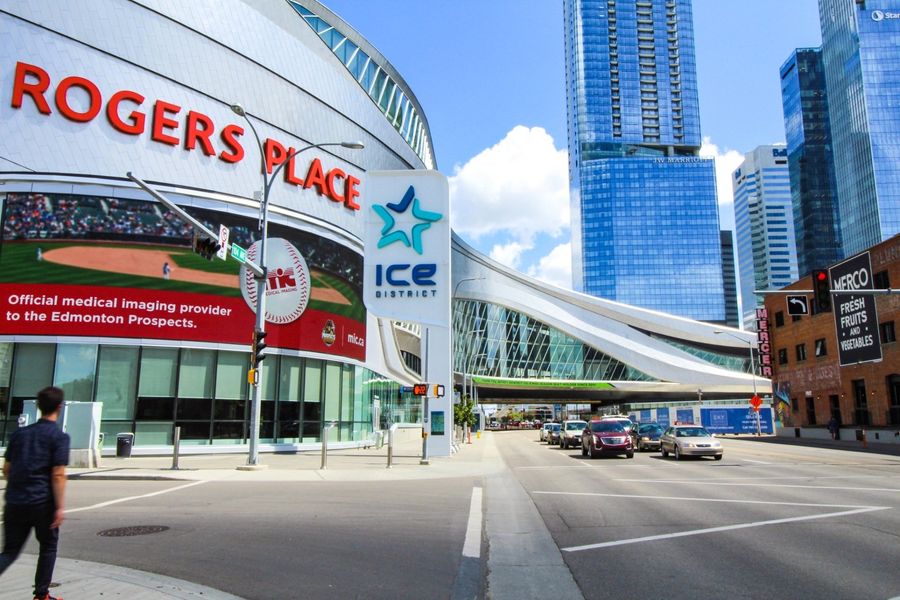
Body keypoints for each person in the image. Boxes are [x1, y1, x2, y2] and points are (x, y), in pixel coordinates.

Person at [0, 386, 70, 600]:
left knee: (10, 551)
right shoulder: (59, 437)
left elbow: (6, 469)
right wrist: (59, 507)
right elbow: (58, 474)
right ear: (60, 407)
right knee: (48, 547)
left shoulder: (20, 434)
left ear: (38, 407)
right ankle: (41, 594)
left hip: (15, 502)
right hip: (42, 503)